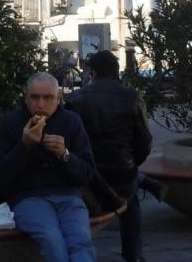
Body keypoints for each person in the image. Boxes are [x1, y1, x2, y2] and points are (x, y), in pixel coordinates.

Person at [0, 72, 98, 262]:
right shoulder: (10, 123)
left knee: (81, 241)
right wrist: (24, 146)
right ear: (26, 98)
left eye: (48, 97)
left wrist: (64, 154)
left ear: (58, 99)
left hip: (68, 196)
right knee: (52, 240)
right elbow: (0, 176)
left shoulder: (71, 122)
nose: (41, 104)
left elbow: (86, 173)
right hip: (28, 197)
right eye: (35, 97)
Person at [66, 50, 152, 262]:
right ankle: (134, 255)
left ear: (93, 72)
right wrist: (132, 164)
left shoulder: (76, 99)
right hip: (122, 172)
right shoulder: (131, 97)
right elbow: (144, 141)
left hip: (89, 176)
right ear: (116, 71)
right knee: (131, 204)